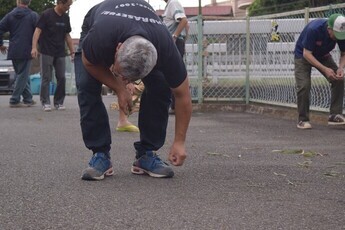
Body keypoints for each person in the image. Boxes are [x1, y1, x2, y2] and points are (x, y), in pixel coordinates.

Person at [75, 0, 192, 181]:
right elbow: (89, 63)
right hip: (98, 21)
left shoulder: (165, 47)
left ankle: (147, 153)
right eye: (122, 74)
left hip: (145, 31)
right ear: (117, 48)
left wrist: (179, 142)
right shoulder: (100, 37)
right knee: (87, 85)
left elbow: (182, 95)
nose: (127, 81)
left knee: (160, 85)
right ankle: (100, 154)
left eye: (130, 79)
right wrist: (119, 88)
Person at [294, 13, 345, 129]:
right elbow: (307, 53)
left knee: (339, 79)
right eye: (335, 34)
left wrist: (340, 68)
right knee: (304, 85)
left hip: (323, 55)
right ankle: (303, 120)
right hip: (303, 56)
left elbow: (344, 54)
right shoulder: (314, 29)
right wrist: (325, 69)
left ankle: (334, 115)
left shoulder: (341, 34)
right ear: (329, 28)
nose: (337, 38)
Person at [31, 0, 74, 112]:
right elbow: (37, 31)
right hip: (46, 51)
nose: (68, 8)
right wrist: (34, 47)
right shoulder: (46, 14)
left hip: (60, 52)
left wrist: (72, 52)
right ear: (60, 3)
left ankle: (59, 102)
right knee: (46, 77)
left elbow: (67, 36)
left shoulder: (66, 18)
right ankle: (45, 102)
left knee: (62, 77)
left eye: (70, 6)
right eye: (67, 5)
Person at [0, 0, 38, 107]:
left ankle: (28, 98)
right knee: (22, 75)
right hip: (26, 50)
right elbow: (39, 31)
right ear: (29, 2)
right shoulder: (33, 16)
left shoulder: (10, 16)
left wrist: (0, 44)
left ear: (18, 1)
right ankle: (14, 100)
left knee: (21, 74)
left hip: (13, 50)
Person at [161, 0, 189, 114]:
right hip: (177, 43)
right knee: (174, 73)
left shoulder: (173, 3)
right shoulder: (170, 5)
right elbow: (186, 25)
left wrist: (174, 36)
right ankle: (174, 105)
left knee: (172, 73)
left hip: (174, 43)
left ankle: (175, 106)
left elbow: (183, 20)